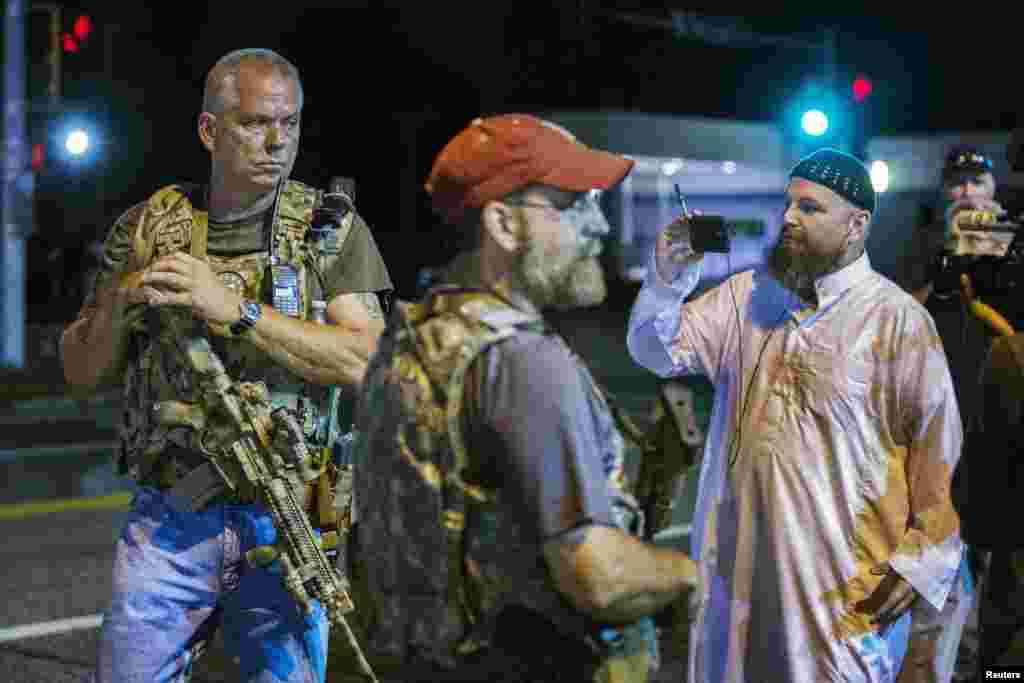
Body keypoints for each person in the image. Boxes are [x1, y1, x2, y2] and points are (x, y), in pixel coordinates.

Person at [61, 48, 393, 683]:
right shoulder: (148, 229)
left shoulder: (327, 232)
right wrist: (118, 303)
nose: (277, 142)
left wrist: (237, 310)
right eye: (255, 123)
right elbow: (79, 371)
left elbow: (367, 359)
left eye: (290, 124)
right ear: (210, 131)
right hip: (170, 523)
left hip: (289, 524)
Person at [347, 113, 699, 682]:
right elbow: (597, 575)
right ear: (504, 225)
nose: (599, 228)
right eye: (573, 205)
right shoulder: (525, 362)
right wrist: (691, 575)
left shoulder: (413, 336)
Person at [627, 147, 964, 682]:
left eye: (810, 208)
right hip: (735, 600)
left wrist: (923, 561)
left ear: (857, 225)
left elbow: (939, 449)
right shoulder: (745, 299)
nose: (788, 218)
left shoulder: (897, 320)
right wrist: (668, 280)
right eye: (789, 204)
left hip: (841, 607)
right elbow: (654, 351)